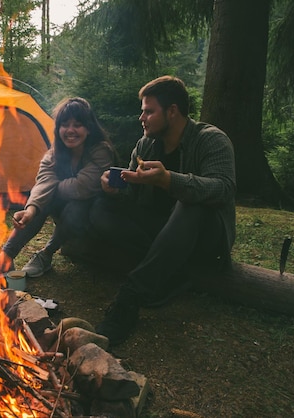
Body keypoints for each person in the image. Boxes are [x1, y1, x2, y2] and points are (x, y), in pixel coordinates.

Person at [91, 76, 236, 345]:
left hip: (206, 237)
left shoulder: (211, 139)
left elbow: (223, 189)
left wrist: (168, 180)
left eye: (149, 111)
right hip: (161, 231)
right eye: (142, 111)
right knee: (101, 209)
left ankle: (130, 297)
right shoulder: (146, 145)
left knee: (190, 203)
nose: (141, 118)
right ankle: (170, 271)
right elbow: (133, 197)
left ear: (172, 111)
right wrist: (115, 189)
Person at [0, 97, 116, 278]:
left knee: (71, 203)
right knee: (40, 200)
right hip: (69, 218)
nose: (70, 130)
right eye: (65, 125)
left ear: (88, 128)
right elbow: (43, 182)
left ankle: (46, 254)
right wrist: (30, 210)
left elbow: (83, 187)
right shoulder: (54, 153)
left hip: (95, 220)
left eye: (77, 125)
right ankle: (5, 257)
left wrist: (52, 188)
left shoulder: (101, 151)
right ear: (58, 129)